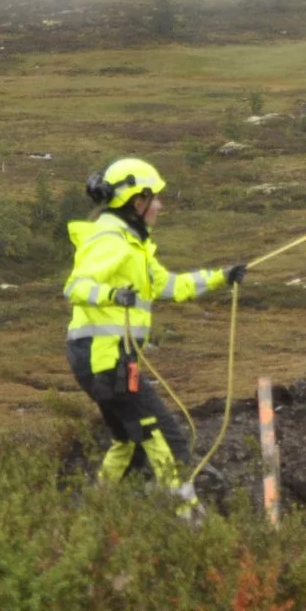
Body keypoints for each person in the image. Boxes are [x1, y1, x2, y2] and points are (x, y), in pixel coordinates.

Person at [63, 157, 246, 509]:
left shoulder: (133, 244)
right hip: (106, 359)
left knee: (128, 444)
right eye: (155, 198)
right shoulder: (112, 241)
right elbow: (75, 286)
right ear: (137, 201)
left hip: (101, 358)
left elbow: (169, 286)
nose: (160, 206)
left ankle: (92, 517)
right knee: (168, 440)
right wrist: (113, 295)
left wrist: (221, 277)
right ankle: (187, 523)